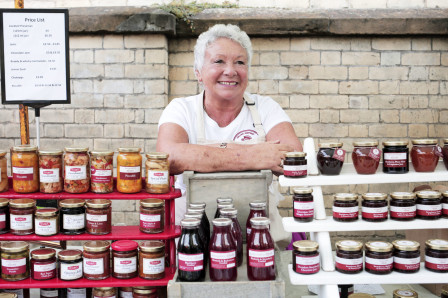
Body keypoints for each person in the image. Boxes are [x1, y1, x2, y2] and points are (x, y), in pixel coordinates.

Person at [157, 24, 303, 234]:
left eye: (240, 62)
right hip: (192, 237)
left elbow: (293, 156)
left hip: (259, 233)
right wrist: (252, 156)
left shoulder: (265, 107)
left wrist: (200, 156)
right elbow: (167, 158)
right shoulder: (181, 109)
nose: (230, 71)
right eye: (219, 61)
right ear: (198, 73)